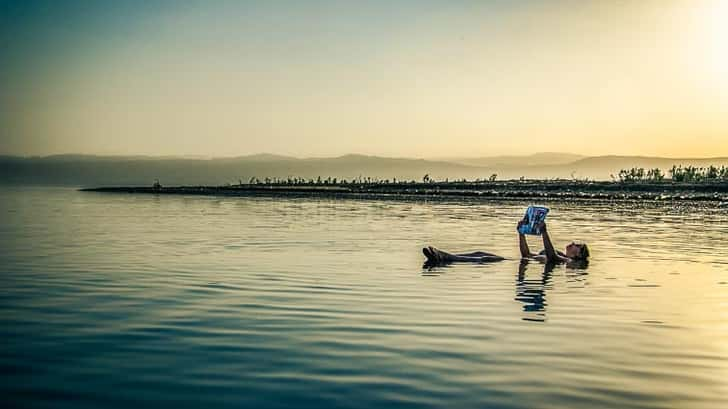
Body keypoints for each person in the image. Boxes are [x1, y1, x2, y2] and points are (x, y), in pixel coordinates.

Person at [422, 219, 589, 265]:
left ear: (578, 254)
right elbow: (527, 254)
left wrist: (544, 232)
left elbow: (551, 257)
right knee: (479, 253)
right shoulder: (560, 255)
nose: (573, 242)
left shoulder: (567, 261)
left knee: (482, 259)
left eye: (577, 245)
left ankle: (443, 257)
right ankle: (444, 256)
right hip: (521, 261)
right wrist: (521, 233)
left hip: (513, 263)